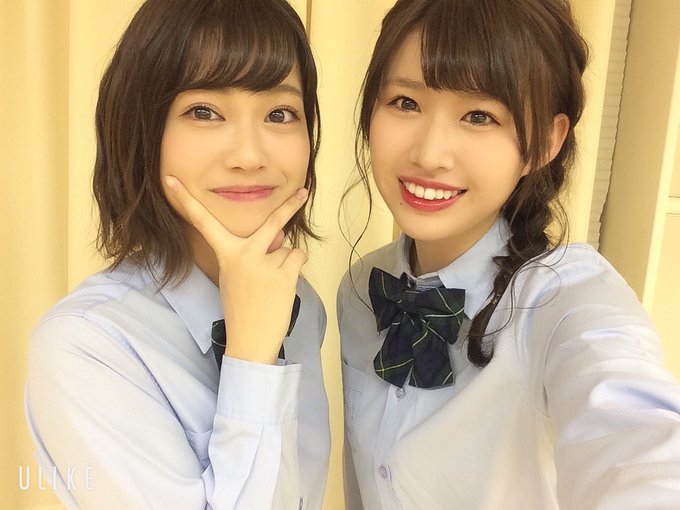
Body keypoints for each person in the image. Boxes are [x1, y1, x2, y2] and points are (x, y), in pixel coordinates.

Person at [338, 0, 680, 508]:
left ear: (545, 141)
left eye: (479, 116)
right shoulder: (361, 288)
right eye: (405, 103)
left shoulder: (564, 297)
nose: (429, 154)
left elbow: (638, 440)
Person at [25, 0, 330, 508]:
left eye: (280, 113)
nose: (249, 155)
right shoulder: (86, 344)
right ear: (143, 131)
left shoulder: (300, 304)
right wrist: (252, 356)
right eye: (203, 112)